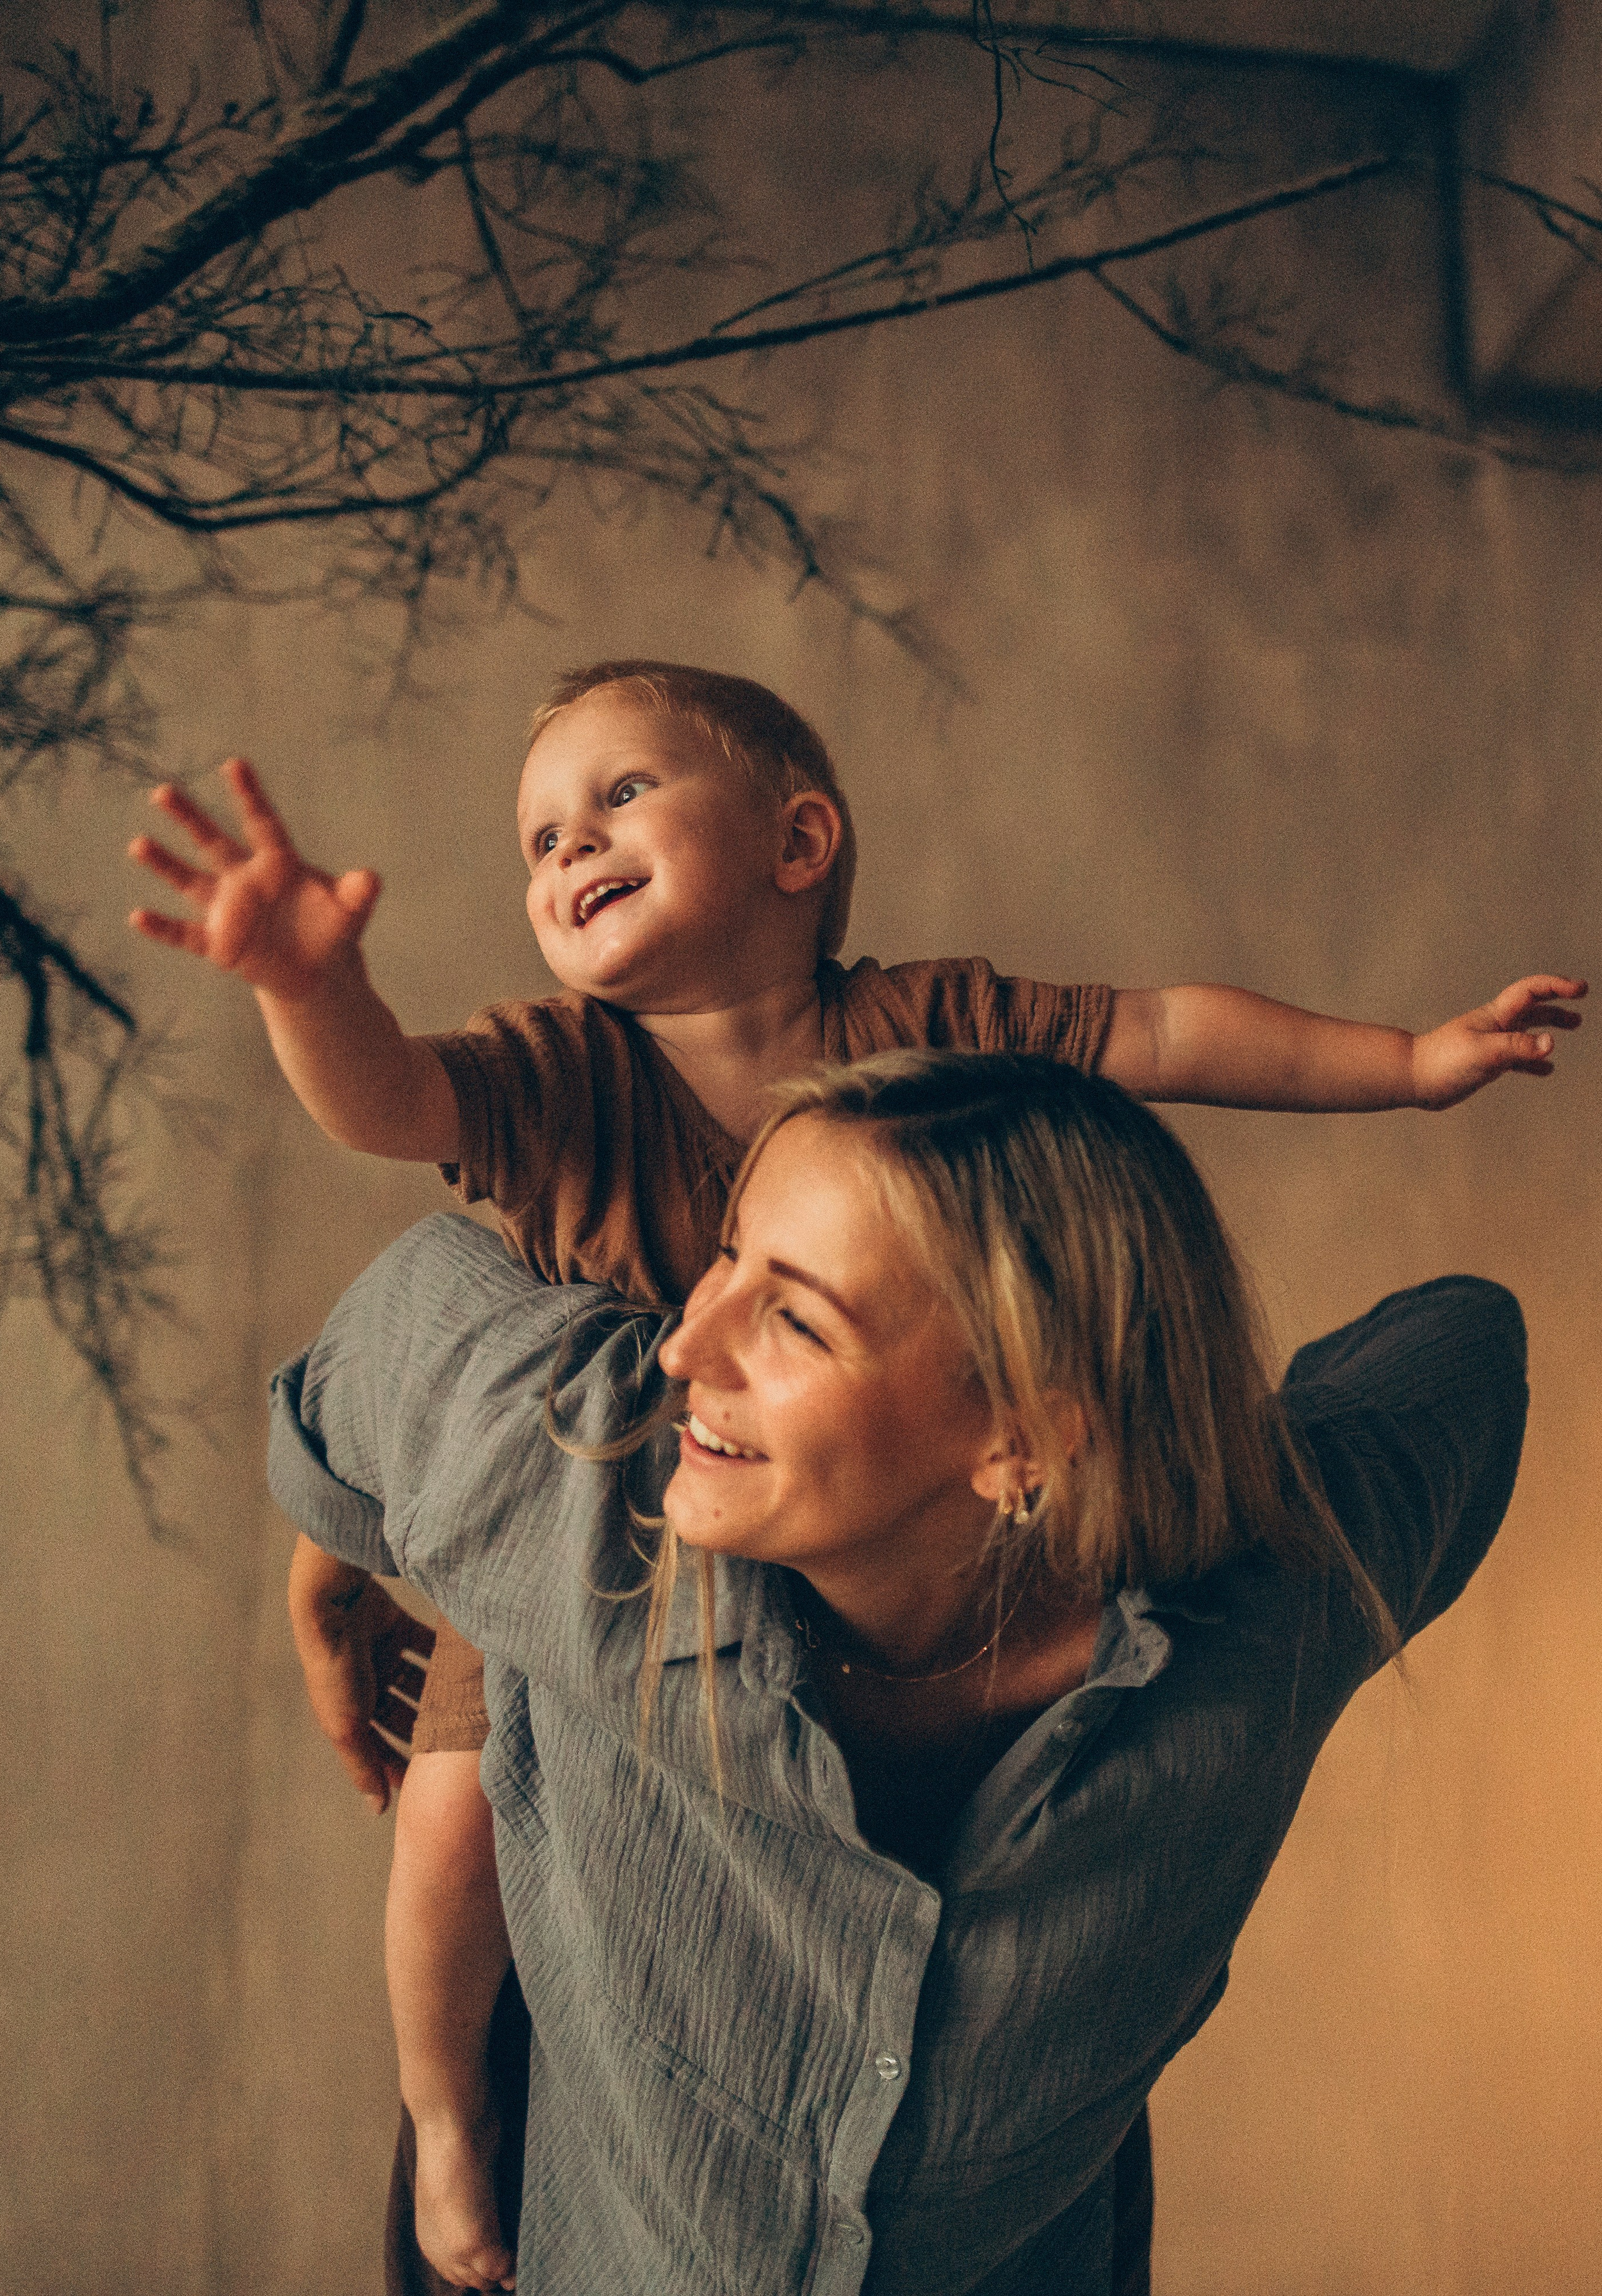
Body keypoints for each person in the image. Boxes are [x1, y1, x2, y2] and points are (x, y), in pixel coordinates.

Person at [129, 660, 1581, 2288]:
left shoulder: (934, 1042)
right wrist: (303, 990)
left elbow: (1199, 1065)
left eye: (616, 801)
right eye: (536, 838)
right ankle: (451, 2113)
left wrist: (1407, 1060)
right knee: (453, 1822)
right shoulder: (567, 1145)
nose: (685, 1338)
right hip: (601, 1539)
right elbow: (389, 1152)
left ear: (798, 842)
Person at [268, 1050, 1529, 2296]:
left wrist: (1197, 1475)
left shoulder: (1267, 1608)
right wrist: (334, 1551)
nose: (684, 1345)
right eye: (728, 1256)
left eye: (796, 1318)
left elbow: (1466, 1344)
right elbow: (403, 1310)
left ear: (1019, 1435)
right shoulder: (590, 1493)